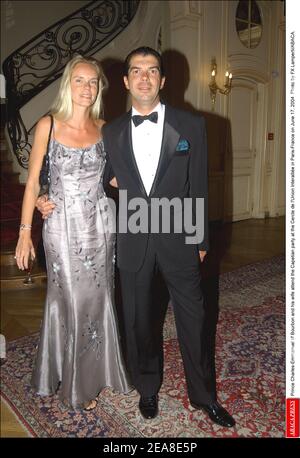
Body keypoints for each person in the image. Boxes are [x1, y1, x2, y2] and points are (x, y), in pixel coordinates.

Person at [37, 47, 235, 428]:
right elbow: (82, 170)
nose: (144, 78)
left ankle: (204, 396)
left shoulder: (191, 125)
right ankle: (147, 388)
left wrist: (201, 240)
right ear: (126, 82)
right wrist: (46, 194)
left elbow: (198, 187)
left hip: (180, 236)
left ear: (162, 80)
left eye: (152, 71)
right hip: (132, 238)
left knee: (194, 318)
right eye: (136, 71)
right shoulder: (109, 131)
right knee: (140, 322)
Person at [15, 54, 131, 410]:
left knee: (98, 300)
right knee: (71, 301)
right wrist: (24, 232)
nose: (87, 87)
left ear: (100, 87)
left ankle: (95, 372)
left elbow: (112, 178)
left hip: (100, 225)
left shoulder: (105, 127)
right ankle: (75, 385)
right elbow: (34, 181)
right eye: (80, 80)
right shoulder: (47, 125)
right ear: (68, 84)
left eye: (93, 81)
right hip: (62, 227)